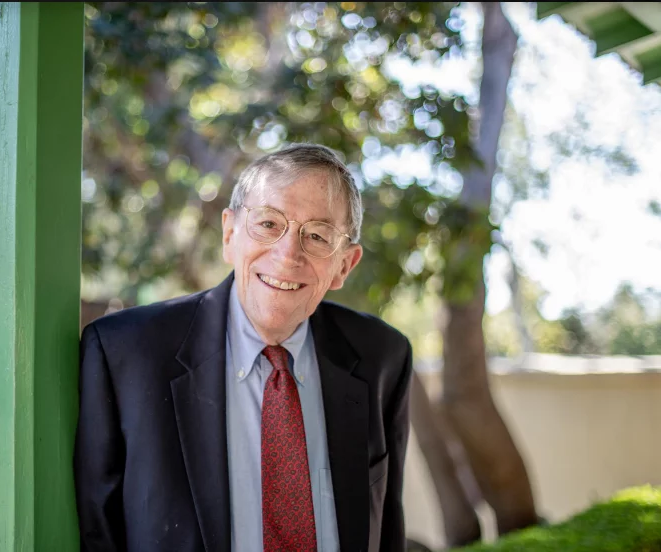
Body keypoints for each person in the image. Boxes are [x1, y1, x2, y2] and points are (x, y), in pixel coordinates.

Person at [74, 143, 414, 552]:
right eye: (269, 224)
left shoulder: (383, 358)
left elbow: (388, 525)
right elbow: (99, 533)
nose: (289, 255)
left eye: (318, 236)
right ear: (229, 233)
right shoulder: (123, 353)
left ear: (345, 265)